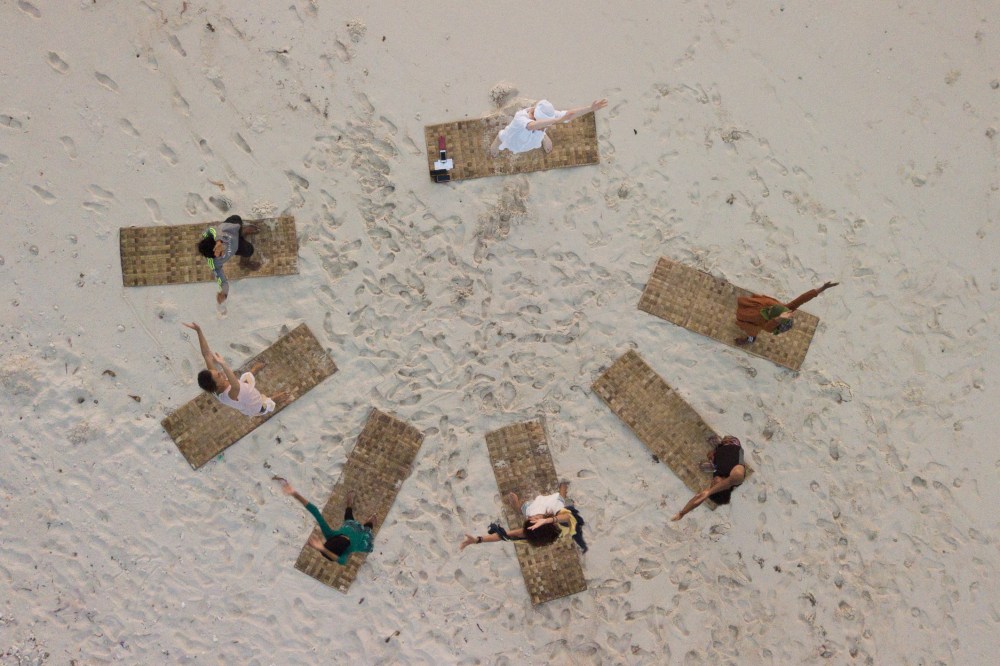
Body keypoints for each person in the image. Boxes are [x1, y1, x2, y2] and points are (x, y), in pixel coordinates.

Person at [181, 322, 288, 417]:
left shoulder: (215, 384)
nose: (220, 372)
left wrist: (198, 331)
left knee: (241, 381)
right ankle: (274, 399)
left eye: (217, 372)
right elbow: (236, 386)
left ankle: (254, 370)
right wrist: (223, 363)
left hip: (244, 392)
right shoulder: (228, 395)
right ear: (217, 384)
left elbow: (206, 354)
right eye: (218, 375)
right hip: (253, 405)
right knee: (264, 406)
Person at [460, 481, 587, 553]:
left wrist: (478, 540)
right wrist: (547, 519)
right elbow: (565, 517)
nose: (530, 519)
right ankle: (564, 484)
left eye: (529, 520)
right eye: (531, 520)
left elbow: (503, 536)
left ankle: (516, 505)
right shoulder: (557, 511)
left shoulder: (530, 526)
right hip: (550, 510)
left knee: (523, 508)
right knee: (562, 492)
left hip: (533, 508)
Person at [273, 476, 376, 564]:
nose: (347, 537)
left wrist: (295, 494)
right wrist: (322, 549)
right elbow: (340, 561)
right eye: (348, 539)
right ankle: (368, 522)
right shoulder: (345, 553)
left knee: (349, 517)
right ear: (345, 548)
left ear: (335, 537)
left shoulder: (330, 535)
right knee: (371, 523)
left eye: (344, 536)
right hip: (362, 538)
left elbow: (315, 512)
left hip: (350, 526)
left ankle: (349, 503)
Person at [490, 98, 608, 157]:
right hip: (512, 139)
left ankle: (543, 137)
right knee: (501, 137)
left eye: (544, 126)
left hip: (533, 139)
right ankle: (496, 142)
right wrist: (556, 120)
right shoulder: (520, 118)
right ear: (534, 116)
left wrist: (590, 109)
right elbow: (532, 126)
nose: (544, 126)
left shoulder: (546, 118)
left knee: (540, 132)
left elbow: (569, 114)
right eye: (544, 125)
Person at [734, 281, 840, 346]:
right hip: (757, 308)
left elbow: (768, 327)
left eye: (771, 310)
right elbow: (800, 300)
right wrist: (821, 289)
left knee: (751, 334)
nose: (771, 308)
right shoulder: (783, 309)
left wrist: (778, 319)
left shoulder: (768, 325)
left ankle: (749, 340)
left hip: (753, 321)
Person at [671, 435, 746, 521]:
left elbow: (699, 497)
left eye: (712, 484)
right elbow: (735, 477)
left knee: (707, 459)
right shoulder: (736, 478)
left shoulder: (717, 477)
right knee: (720, 442)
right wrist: (710, 491)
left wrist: (682, 513)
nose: (713, 481)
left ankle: (714, 457)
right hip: (733, 444)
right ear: (723, 487)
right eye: (715, 484)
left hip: (718, 457)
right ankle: (719, 447)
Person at [196, 214, 261, 304]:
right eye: (220, 254)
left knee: (236, 218)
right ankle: (244, 263)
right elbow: (222, 281)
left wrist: (219, 241)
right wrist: (224, 292)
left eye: (220, 248)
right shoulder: (214, 264)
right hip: (236, 246)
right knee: (249, 250)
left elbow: (213, 228)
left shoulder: (207, 234)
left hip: (231, 229)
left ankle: (242, 232)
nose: (223, 250)